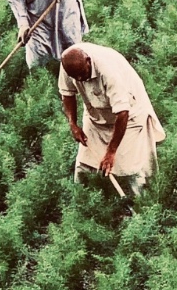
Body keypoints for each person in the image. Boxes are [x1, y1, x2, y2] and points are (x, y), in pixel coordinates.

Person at [58, 42, 165, 195]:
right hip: (95, 114)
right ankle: (81, 199)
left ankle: (142, 203)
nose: (80, 78)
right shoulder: (68, 65)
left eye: (83, 73)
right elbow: (67, 94)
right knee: (84, 164)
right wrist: (73, 124)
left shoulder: (109, 72)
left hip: (130, 112)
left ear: (88, 61)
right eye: (76, 77)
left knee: (131, 167)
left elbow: (122, 113)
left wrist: (111, 151)